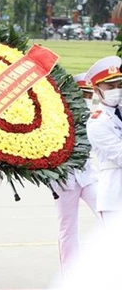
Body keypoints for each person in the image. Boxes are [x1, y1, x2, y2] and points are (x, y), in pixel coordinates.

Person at [53, 72, 100, 275]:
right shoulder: (56, 118)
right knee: (68, 228)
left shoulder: (95, 117)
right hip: (64, 181)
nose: (86, 99)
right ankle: (70, 275)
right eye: (82, 94)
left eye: (89, 95)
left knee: (111, 215)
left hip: (89, 176)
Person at [86, 56, 122, 225]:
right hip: (115, 196)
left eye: (119, 85)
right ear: (97, 90)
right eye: (110, 86)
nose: (117, 90)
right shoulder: (97, 122)